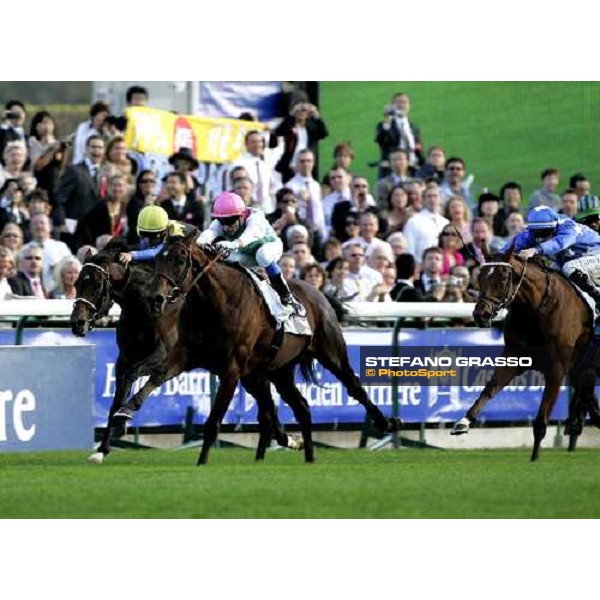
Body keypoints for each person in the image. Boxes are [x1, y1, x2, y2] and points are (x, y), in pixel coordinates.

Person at [196, 191, 301, 314]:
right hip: (248, 255)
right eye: (222, 221)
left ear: (242, 216)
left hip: (270, 247)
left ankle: (286, 296)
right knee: (228, 259)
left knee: (263, 255)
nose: (226, 227)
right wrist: (201, 242)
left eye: (230, 221)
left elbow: (250, 235)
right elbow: (210, 233)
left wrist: (234, 244)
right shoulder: (220, 223)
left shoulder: (255, 218)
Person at [507, 205, 600, 318]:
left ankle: (597, 298)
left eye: (545, 232)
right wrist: (496, 259)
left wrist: (536, 249)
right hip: (576, 259)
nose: (541, 237)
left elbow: (560, 243)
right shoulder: (531, 232)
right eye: (537, 233)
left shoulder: (569, 227)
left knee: (569, 267)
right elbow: (511, 246)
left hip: (595, 254)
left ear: (555, 226)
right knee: (551, 272)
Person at [53, 134, 105, 251]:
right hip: (74, 231)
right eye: (93, 147)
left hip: (96, 232)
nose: (97, 150)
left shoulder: (105, 173)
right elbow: (59, 198)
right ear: (86, 149)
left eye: (100, 147)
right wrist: (61, 222)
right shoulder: (74, 170)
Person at [270, 101, 328, 183]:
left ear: (308, 114)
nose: (301, 113)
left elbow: (324, 133)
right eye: (299, 111)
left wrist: (317, 117)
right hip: (291, 167)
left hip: (307, 166)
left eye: (304, 111)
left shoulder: (311, 128)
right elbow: (278, 131)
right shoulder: (290, 126)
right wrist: (291, 114)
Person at [374, 92, 423, 178]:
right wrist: (387, 119)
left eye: (404, 102)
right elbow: (382, 140)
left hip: (412, 169)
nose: (401, 105)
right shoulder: (385, 125)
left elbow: (418, 148)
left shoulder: (414, 128)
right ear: (392, 106)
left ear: (409, 106)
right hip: (391, 170)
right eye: (398, 102)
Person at [27, 110, 68, 201]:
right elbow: (38, 165)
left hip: (55, 186)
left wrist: (63, 151)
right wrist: (51, 150)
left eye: (50, 124)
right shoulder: (33, 142)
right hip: (39, 185)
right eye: (44, 123)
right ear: (36, 126)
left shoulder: (56, 143)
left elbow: (61, 166)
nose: (47, 127)